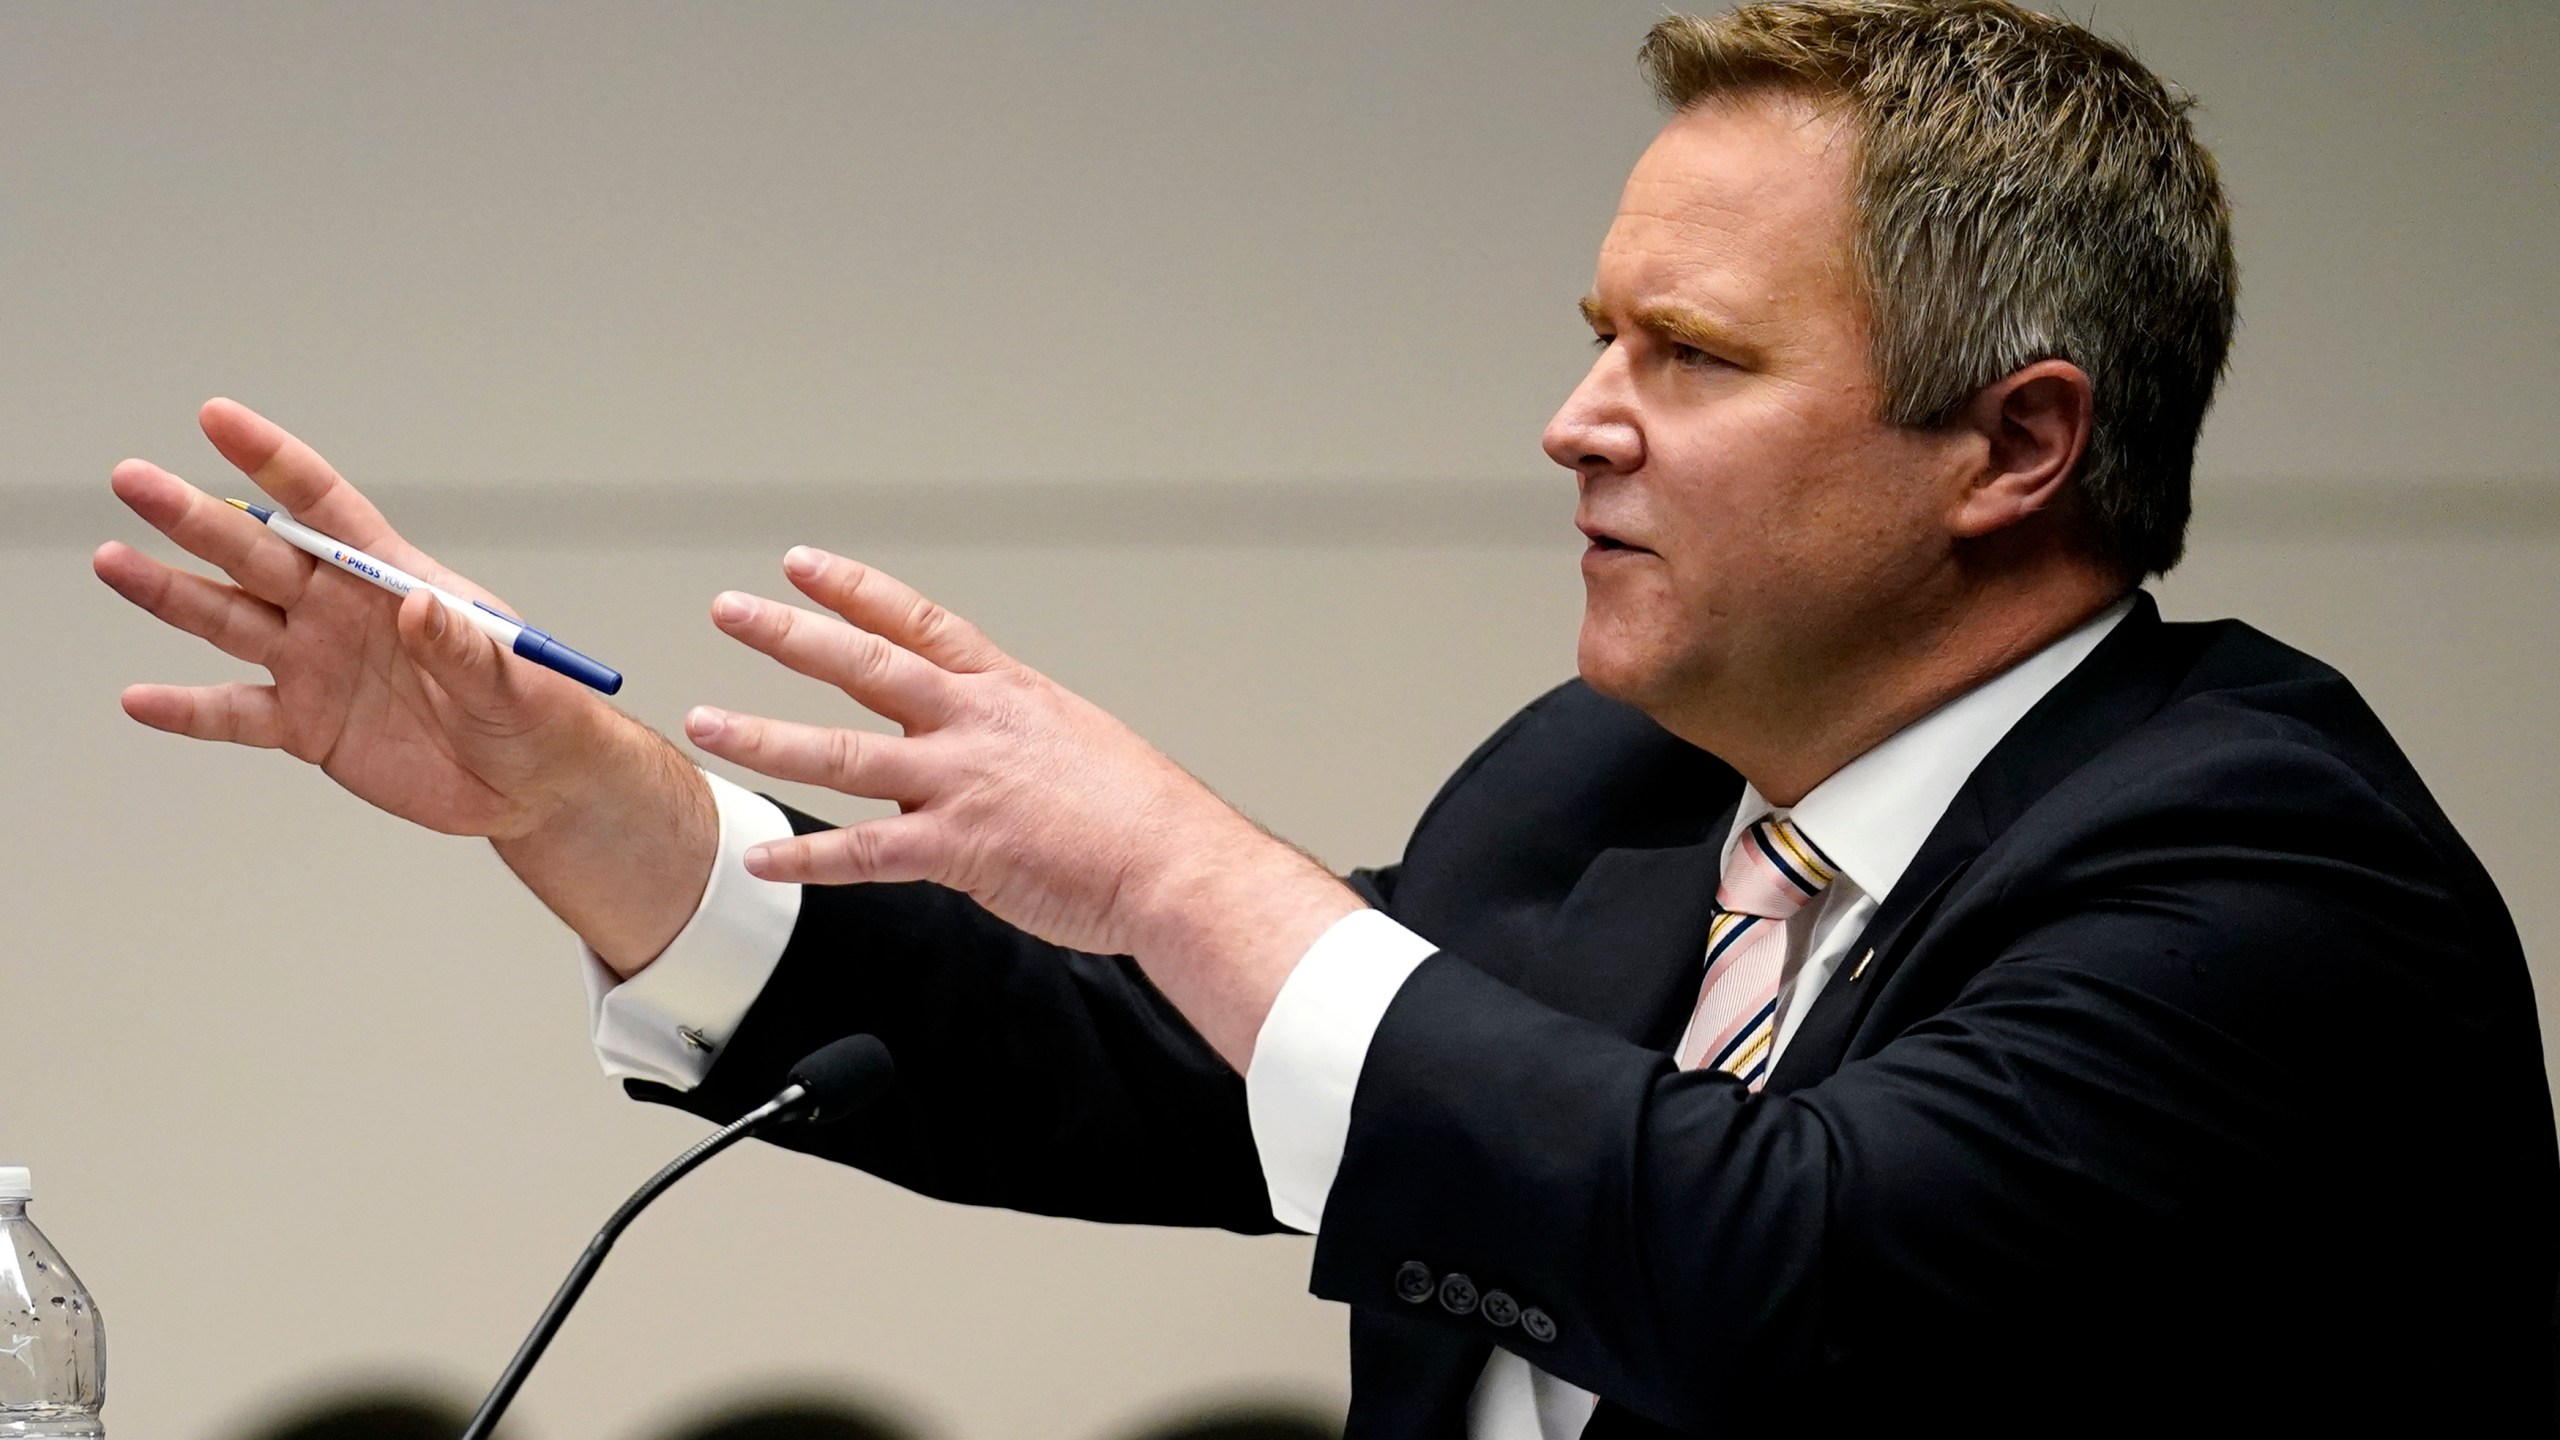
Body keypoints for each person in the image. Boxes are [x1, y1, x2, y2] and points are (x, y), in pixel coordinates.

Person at [94, 2, 2556, 1435]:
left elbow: (1780, 1277)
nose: (1574, 420)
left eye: (1685, 357)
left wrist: (1180, 860)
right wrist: (582, 789)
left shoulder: (2256, 865)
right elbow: (1125, 1060)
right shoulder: (1614, 803)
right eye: (1592, 333)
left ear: (2012, 448)